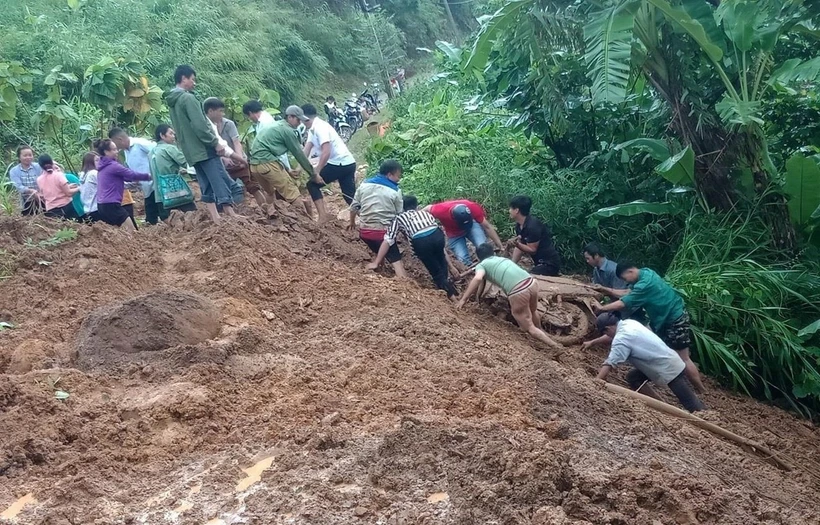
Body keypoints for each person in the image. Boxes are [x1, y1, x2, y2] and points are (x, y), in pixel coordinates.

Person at [594, 262, 706, 393]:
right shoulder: (646, 272)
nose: (625, 281)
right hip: (663, 319)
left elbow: (624, 303)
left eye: (624, 278)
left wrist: (602, 308)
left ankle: (701, 390)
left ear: (630, 271)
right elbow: (627, 292)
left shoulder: (644, 285)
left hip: (674, 319)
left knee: (684, 357)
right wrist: (605, 289)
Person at [167, 64, 242, 223]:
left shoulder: (172, 102)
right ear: (184, 79)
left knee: (204, 182)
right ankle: (230, 214)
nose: (194, 83)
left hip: (190, 151)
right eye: (192, 79)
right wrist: (215, 142)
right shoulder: (188, 98)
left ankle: (216, 217)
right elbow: (200, 125)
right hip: (203, 148)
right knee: (218, 178)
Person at [594, 312, 705, 413]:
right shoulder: (629, 323)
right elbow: (614, 344)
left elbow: (610, 362)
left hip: (667, 368)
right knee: (633, 378)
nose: (608, 336)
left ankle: (706, 418)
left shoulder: (621, 338)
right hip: (665, 360)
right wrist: (593, 342)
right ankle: (660, 405)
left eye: (606, 333)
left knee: (691, 404)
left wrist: (597, 381)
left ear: (608, 329)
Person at [457, 243, 561, 349]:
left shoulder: (481, 265)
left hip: (518, 291)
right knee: (533, 311)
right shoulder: (502, 259)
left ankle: (555, 347)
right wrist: (477, 298)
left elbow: (478, 278)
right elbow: (482, 283)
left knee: (528, 327)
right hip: (532, 282)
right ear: (492, 252)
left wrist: (463, 299)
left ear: (479, 257)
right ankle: (541, 332)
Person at [370, 194, 457, 297]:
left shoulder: (399, 218)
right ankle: (447, 285)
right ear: (416, 206)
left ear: (402, 207)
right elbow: (435, 235)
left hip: (421, 241)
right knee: (441, 261)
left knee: (435, 271)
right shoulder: (425, 214)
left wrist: (376, 261)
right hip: (438, 236)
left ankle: (451, 296)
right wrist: (451, 266)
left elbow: (388, 240)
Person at [249, 105, 317, 217]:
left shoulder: (275, 125)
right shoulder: (287, 130)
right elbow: (299, 154)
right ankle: (307, 223)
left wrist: (287, 169)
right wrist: (313, 174)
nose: (300, 123)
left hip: (254, 166)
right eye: (298, 120)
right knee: (293, 193)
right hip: (267, 163)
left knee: (270, 192)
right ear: (290, 117)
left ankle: (271, 217)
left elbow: (272, 152)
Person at [349, 160, 407, 278]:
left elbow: (354, 207)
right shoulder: (395, 191)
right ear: (389, 175)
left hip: (364, 233)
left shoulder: (364, 185)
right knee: (396, 259)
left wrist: (352, 223)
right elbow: (399, 214)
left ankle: (380, 270)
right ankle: (404, 283)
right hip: (383, 234)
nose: (398, 179)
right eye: (398, 176)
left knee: (378, 248)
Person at [205, 97, 266, 207]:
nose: (222, 114)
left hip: (238, 161)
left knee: (253, 187)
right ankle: (237, 213)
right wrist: (225, 158)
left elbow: (236, 142)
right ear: (211, 111)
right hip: (224, 164)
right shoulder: (207, 127)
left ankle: (265, 209)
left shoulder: (229, 124)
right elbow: (214, 146)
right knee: (229, 189)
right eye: (220, 111)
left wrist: (238, 158)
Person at [301, 103, 357, 223]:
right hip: (347, 162)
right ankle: (370, 219)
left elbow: (326, 152)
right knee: (349, 196)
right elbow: (306, 149)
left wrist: (317, 171)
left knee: (312, 185)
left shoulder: (320, 128)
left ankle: (322, 218)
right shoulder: (313, 128)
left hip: (339, 164)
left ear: (305, 118)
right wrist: (298, 168)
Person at [581, 242, 634, 349]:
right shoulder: (596, 270)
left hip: (625, 308)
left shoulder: (613, 270)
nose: (587, 262)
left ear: (596, 256)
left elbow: (623, 295)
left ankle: (615, 339)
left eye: (588, 258)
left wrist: (604, 305)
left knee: (601, 320)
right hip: (613, 304)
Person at [94, 139, 151, 231]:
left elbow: (124, 177)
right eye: (114, 149)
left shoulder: (102, 167)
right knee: (132, 231)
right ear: (106, 152)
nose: (117, 152)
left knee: (120, 233)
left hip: (102, 205)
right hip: (111, 205)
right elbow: (131, 175)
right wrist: (149, 176)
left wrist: (135, 181)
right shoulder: (113, 166)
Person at [424, 199, 503, 266]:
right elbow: (426, 209)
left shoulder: (472, 207)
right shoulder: (440, 210)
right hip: (454, 233)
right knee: (463, 260)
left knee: (483, 247)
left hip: (472, 226)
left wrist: (500, 246)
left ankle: (490, 265)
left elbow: (487, 227)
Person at [149, 124, 198, 219]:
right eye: (171, 133)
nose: (173, 136)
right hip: (176, 191)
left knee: (168, 221)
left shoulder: (151, 153)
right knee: (193, 216)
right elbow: (187, 163)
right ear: (162, 136)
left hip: (160, 195)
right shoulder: (169, 148)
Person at [108, 127, 157, 223]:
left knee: (158, 213)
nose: (114, 147)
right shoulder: (126, 152)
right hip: (145, 186)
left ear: (120, 139)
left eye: (114, 143)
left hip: (155, 184)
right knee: (152, 214)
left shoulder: (140, 144)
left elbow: (157, 151)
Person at [508, 195, 561, 276]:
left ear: (516, 210)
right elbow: (519, 247)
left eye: (511, 208)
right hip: (539, 263)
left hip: (549, 263)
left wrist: (517, 244)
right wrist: (512, 264)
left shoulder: (532, 226)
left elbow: (532, 250)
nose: (509, 211)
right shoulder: (519, 225)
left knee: (528, 276)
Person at [35, 155, 80, 220]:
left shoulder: (39, 179)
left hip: (52, 210)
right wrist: (79, 188)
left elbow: (51, 191)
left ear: (40, 166)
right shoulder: (59, 175)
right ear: (51, 163)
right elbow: (68, 193)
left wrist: (68, 186)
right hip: (67, 208)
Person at [8, 145, 43, 215]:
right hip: (26, 201)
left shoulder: (38, 166)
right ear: (19, 157)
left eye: (30, 155)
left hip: (42, 198)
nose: (28, 157)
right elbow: (18, 186)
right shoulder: (14, 171)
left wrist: (40, 194)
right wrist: (31, 191)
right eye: (25, 155)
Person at [78, 151, 101, 222]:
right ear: (90, 162)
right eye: (97, 160)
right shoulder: (94, 173)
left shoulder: (82, 175)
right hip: (96, 208)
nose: (99, 162)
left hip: (87, 209)